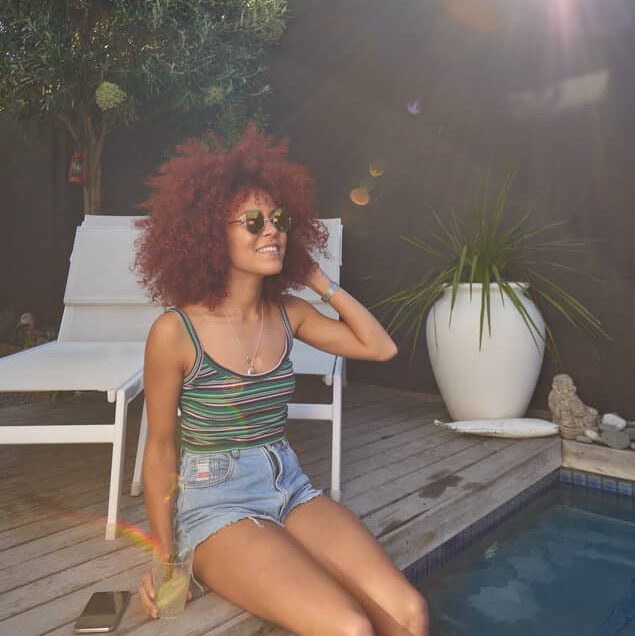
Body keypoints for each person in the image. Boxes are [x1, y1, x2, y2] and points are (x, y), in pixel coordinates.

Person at [133, 124, 430, 635]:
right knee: (351, 628)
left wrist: (319, 281)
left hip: (287, 484)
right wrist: (165, 557)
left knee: (409, 614)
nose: (271, 230)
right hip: (215, 504)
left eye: (279, 219)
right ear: (210, 232)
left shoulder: (289, 313)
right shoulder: (174, 333)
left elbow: (380, 347)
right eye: (252, 221)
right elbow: (160, 450)